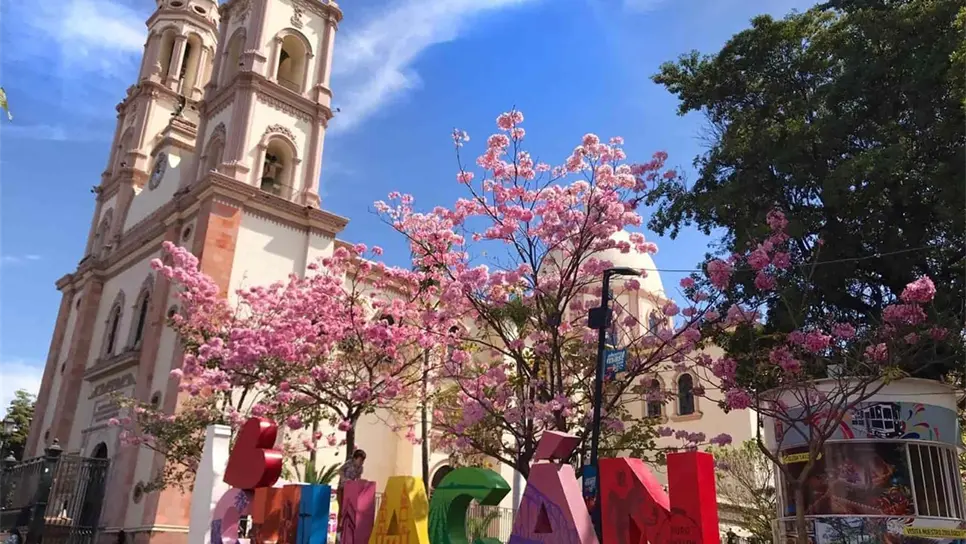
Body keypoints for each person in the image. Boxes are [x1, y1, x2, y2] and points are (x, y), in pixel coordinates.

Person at [335, 449, 366, 541]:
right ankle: (339, 532)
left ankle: (348, 532)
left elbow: (358, 478)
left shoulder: (361, 468)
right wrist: (344, 479)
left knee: (351, 511)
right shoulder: (349, 463)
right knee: (342, 510)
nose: (361, 462)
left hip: (352, 490)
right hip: (342, 489)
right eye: (360, 460)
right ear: (355, 458)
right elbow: (339, 471)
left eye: (362, 461)